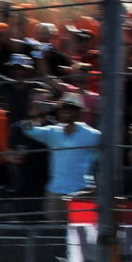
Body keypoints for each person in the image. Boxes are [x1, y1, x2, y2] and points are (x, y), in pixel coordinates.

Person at [18, 94, 100, 224]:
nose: (65, 111)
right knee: (54, 234)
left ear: (78, 112)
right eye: (62, 108)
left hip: (81, 191)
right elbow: (27, 129)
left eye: (70, 108)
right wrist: (33, 115)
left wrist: (94, 186)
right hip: (55, 191)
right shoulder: (53, 132)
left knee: (80, 232)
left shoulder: (93, 135)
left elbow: (99, 161)